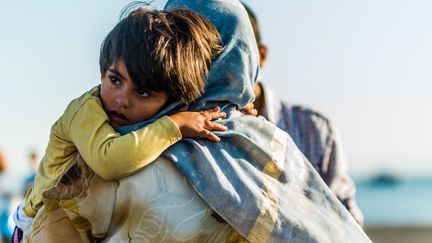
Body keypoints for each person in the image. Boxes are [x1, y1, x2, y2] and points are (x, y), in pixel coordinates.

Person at [11, 7, 231, 241]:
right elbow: (109, 161)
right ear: (103, 71)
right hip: (35, 226)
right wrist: (174, 126)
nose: (121, 100)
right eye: (115, 80)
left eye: (143, 92)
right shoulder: (85, 111)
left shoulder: (149, 117)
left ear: (173, 100)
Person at [242, 2, 364, 225]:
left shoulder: (315, 130)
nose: (220, 65)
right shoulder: (188, 131)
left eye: (236, 51)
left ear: (261, 56)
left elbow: (347, 220)